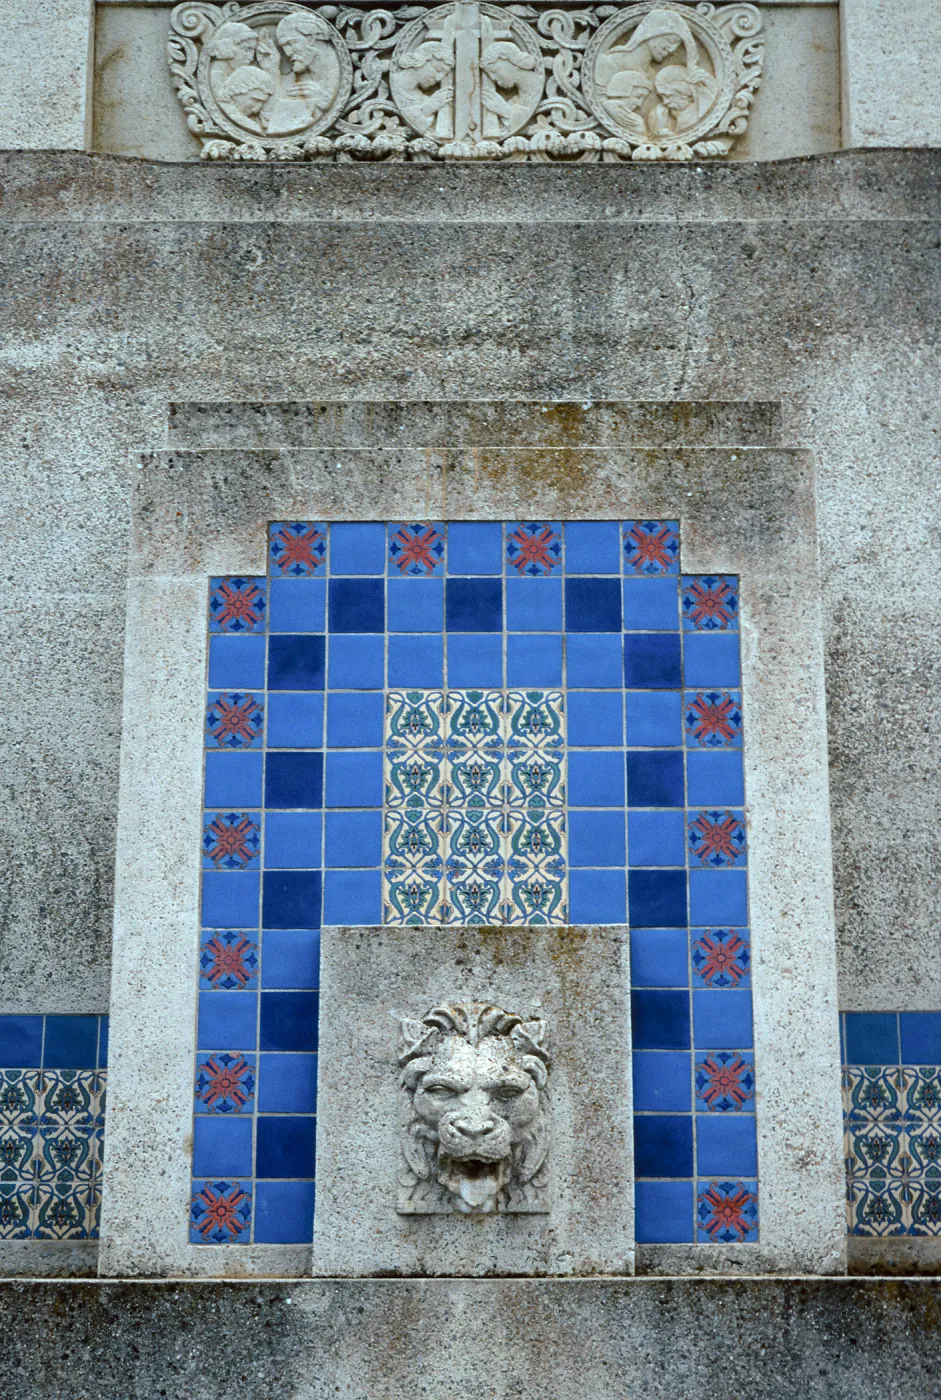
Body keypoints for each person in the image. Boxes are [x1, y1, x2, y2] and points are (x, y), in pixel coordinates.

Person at [394, 42, 455, 138]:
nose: (439, 78)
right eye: (438, 70)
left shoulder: (424, 99)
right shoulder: (390, 86)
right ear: (421, 60)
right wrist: (428, 107)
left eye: (443, 74)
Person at [480, 41, 540, 138]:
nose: (493, 78)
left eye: (494, 71)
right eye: (489, 75)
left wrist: (506, 110)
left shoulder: (538, 89)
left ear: (511, 61)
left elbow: (534, 122)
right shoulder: (515, 101)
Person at [649, 62, 717, 135]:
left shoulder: (703, 112)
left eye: (668, 96)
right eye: (661, 97)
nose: (665, 102)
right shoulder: (665, 116)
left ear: (685, 92)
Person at [217, 64, 275, 133]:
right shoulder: (245, 123)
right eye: (255, 100)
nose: (256, 109)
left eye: (262, 103)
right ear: (238, 91)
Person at [603, 67, 652, 139]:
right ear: (623, 91)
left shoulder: (635, 119)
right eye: (638, 97)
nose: (639, 104)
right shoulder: (607, 110)